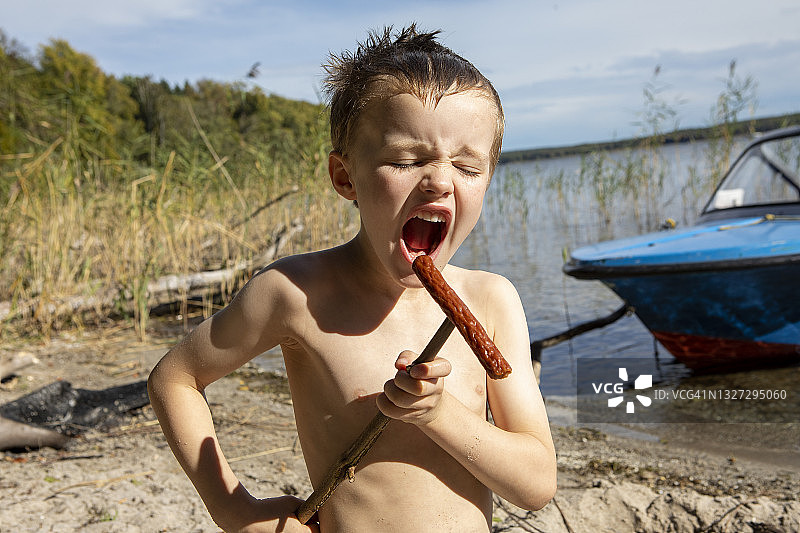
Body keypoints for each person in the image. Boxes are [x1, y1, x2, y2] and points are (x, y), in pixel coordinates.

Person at [148, 24, 557, 533]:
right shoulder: (296, 293)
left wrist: (439, 415)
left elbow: (536, 485)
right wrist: (234, 510)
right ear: (345, 177)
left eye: (468, 167)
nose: (439, 181)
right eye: (407, 160)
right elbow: (175, 378)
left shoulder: (491, 300)